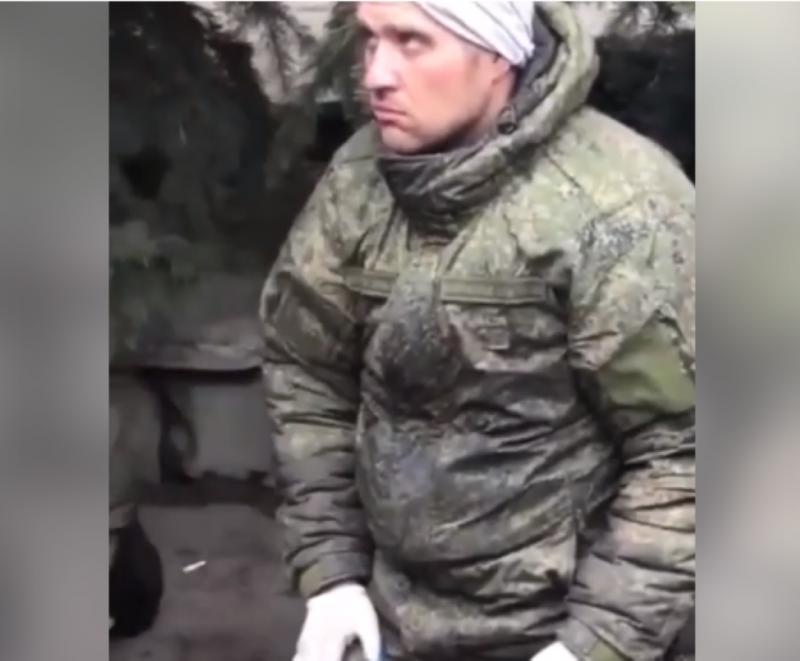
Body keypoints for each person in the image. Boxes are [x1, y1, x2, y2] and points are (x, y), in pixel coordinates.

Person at [259, 2, 695, 661]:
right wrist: (332, 570)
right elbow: (307, 371)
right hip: (388, 618)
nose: (375, 74)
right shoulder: (359, 183)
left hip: (554, 629)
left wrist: (597, 641)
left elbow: (682, 454)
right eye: (371, 41)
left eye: (412, 42)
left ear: (497, 56)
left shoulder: (620, 209)